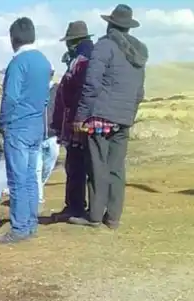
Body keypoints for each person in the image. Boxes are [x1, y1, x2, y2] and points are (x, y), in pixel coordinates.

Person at [70, 4, 147, 230]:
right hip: (123, 118)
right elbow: (139, 92)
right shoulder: (139, 52)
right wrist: (129, 115)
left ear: (110, 24)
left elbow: (92, 84)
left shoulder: (104, 46)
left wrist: (80, 116)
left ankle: (94, 216)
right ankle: (113, 217)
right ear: (128, 27)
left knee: (97, 165)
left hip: (100, 116)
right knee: (116, 167)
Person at [0, 17, 52, 244]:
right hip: (36, 126)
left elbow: (10, 96)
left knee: (17, 179)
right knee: (30, 177)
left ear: (13, 39)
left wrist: (3, 122)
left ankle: (19, 228)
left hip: (18, 126)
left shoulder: (18, 63)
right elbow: (46, 97)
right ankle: (30, 224)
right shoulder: (44, 61)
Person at [51, 21, 95, 220]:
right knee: (78, 165)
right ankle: (77, 206)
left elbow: (75, 91)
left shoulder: (82, 59)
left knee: (77, 165)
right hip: (80, 118)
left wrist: (75, 117)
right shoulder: (83, 57)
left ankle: (76, 207)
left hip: (78, 120)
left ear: (73, 41)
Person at [38, 69, 59, 204]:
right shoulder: (34, 90)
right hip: (36, 136)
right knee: (36, 168)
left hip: (53, 135)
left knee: (48, 167)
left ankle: (36, 187)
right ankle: (37, 197)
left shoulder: (59, 90)